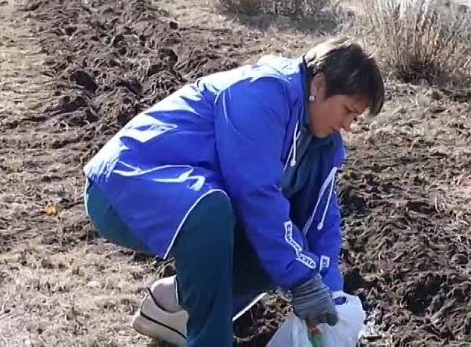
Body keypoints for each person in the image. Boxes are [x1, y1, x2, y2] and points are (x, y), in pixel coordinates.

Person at [83, 38, 385, 346]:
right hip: (124, 186)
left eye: (355, 117)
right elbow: (256, 193)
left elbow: (320, 220)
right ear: (318, 86)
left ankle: (174, 307)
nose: (348, 125)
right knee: (213, 209)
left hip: (193, 204)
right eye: (347, 111)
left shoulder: (323, 144)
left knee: (282, 250)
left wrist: (328, 291)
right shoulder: (261, 94)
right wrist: (301, 279)